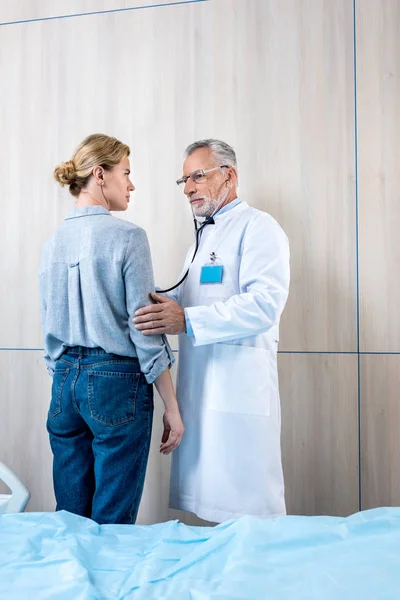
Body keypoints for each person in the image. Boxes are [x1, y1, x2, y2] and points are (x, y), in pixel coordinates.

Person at [133, 139, 290, 523]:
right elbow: (183, 298)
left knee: (247, 515)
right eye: (184, 180)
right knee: (211, 513)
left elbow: (265, 303)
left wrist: (186, 320)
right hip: (202, 392)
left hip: (239, 392)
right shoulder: (202, 240)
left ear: (229, 176)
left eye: (197, 177)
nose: (188, 188)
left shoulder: (259, 228)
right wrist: (135, 293)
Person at [39, 133, 184, 524]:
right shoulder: (129, 237)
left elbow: (48, 325)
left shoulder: (53, 243)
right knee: (113, 526)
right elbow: (146, 328)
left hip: (64, 383)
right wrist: (172, 406)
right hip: (116, 382)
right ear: (100, 175)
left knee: (69, 520)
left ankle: (72, 584)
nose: (132, 184)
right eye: (126, 173)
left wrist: (67, 376)